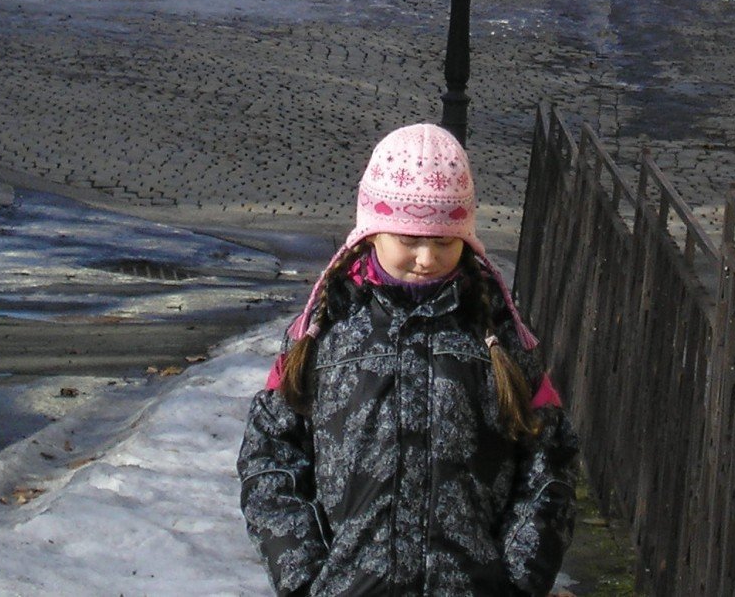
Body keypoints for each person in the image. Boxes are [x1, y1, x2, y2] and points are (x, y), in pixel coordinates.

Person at [239, 123, 578, 597]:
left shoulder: (496, 334)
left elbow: (549, 461)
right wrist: (303, 576)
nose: (425, 258)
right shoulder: (326, 332)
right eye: (409, 239)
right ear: (372, 232)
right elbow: (270, 455)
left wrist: (520, 576)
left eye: (444, 242)